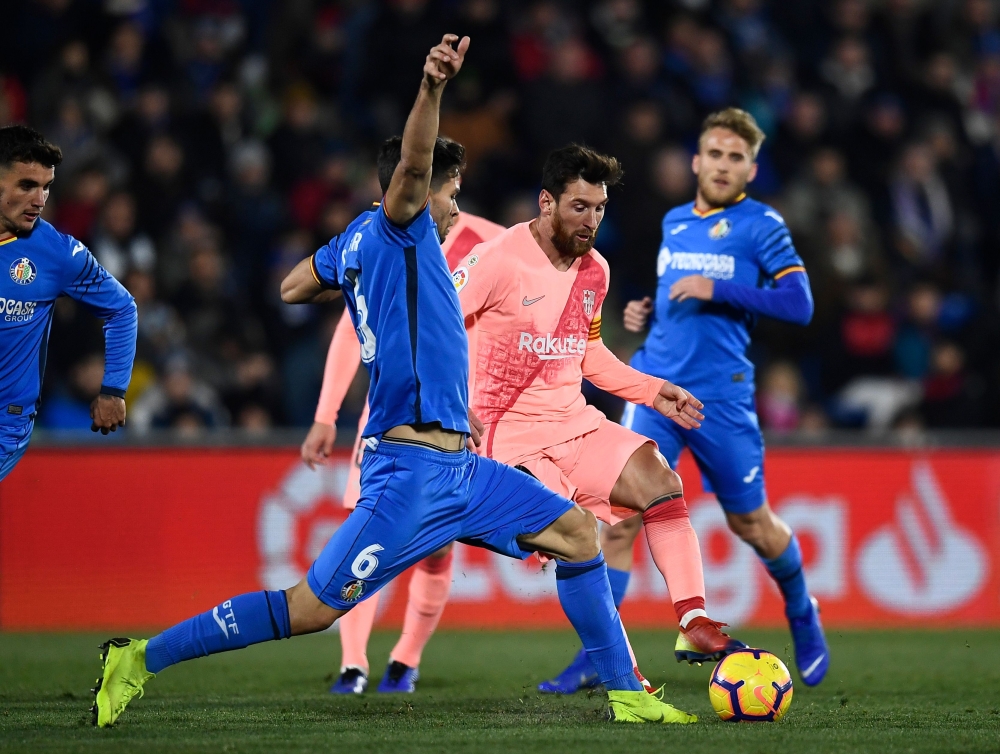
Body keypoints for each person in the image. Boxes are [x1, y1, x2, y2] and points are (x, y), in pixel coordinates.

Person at [92, 35, 699, 728]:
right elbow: (413, 164)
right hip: (408, 474)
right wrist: (432, 86)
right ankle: (137, 658)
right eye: (449, 195)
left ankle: (625, 692)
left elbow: (294, 286)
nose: (454, 211)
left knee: (580, 535)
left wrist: (352, 284)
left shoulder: (357, 241)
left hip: (460, 469)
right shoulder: (401, 227)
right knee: (310, 610)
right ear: (415, 192)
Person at [453, 143, 746, 696]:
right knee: (577, 538)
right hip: (507, 434)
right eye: (580, 207)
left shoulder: (595, 271)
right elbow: (437, 327)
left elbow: (587, 357)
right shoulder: (497, 258)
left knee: (662, 484)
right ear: (546, 202)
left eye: (600, 208)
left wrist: (654, 389)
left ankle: (692, 620)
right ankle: (618, 673)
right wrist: (451, 403)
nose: (592, 221)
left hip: (573, 422)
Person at [615, 108, 829, 686]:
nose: (723, 165)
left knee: (751, 523)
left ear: (750, 169)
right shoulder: (674, 221)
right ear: (697, 161)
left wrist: (719, 288)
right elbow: (676, 300)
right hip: (657, 386)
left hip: (721, 399)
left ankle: (801, 611)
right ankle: (601, 655)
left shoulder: (763, 225)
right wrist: (647, 310)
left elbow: (800, 304)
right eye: (715, 153)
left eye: (736, 157)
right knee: (620, 517)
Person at [301, 209, 504, 694]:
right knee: (363, 531)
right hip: (388, 410)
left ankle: (404, 661)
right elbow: (353, 326)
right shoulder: (377, 235)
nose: (448, 203)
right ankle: (353, 665)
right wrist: (325, 415)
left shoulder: (491, 244)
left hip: (454, 416)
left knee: (437, 546)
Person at [0, 125, 137, 481]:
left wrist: (113, 390)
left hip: (5, 419)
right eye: (27, 185)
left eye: (46, 187)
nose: (40, 200)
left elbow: (122, 309)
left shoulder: (59, 254)